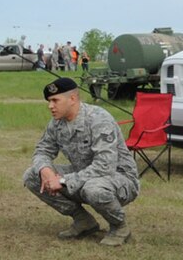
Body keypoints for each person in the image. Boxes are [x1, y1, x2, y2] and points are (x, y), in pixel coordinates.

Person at [23, 76, 139, 246]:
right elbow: (42, 150)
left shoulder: (99, 119)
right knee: (32, 175)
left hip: (119, 179)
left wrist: (62, 180)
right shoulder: (56, 123)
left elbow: (104, 166)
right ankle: (83, 221)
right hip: (83, 176)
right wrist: (46, 171)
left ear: (72, 99)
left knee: (93, 188)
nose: (50, 106)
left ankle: (119, 227)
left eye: (55, 100)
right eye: (49, 101)